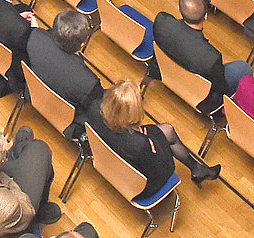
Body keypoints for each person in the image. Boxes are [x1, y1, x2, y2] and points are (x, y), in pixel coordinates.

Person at [90, 79, 220, 193]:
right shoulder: (141, 144)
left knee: (167, 131)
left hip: (112, 153)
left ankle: (197, 169)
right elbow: (159, 169)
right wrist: (154, 143)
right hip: (142, 185)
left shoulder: (94, 109)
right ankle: (197, 169)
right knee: (168, 131)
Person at [150, 0, 228, 115]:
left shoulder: (162, 21)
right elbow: (221, 89)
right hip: (198, 95)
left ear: (180, 9)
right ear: (206, 16)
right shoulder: (212, 57)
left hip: (162, 71)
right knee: (242, 68)